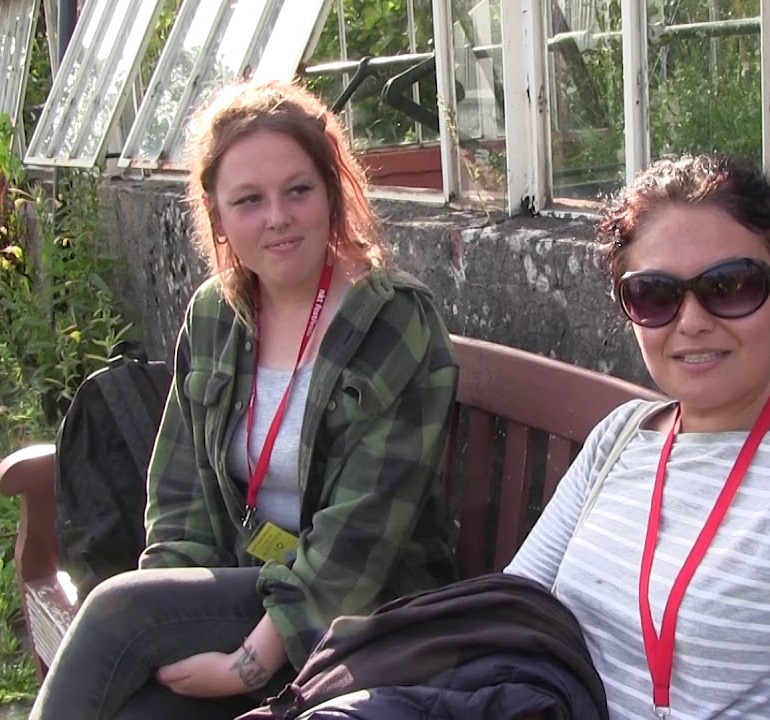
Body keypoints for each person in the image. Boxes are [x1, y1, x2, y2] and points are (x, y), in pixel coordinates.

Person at [29, 79, 460, 720]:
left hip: (364, 619)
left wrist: (242, 666)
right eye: (249, 200)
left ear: (331, 191)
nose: (277, 217)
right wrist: (165, 613)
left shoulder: (395, 323)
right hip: (249, 587)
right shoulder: (216, 315)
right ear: (218, 214)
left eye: (298, 190)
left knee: (113, 613)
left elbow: (359, 539)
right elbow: (180, 494)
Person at [506, 154, 770, 719]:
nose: (692, 321)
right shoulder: (620, 437)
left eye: (730, 286)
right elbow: (511, 612)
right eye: (654, 294)